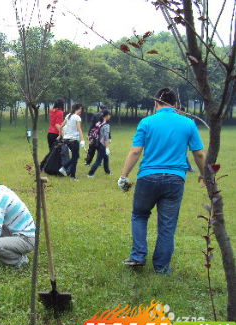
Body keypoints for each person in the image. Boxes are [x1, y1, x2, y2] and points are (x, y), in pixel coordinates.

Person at [117, 87, 205, 275]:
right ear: (176, 105)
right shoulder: (188, 123)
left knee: (140, 215)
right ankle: (161, 267)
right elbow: (198, 153)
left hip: (147, 177)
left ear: (155, 103)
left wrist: (124, 175)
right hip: (175, 179)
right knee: (167, 224)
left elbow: (135, 151)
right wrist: (205, 174)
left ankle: (138, 256)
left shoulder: (146, 122)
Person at [58, 103, 85, 181]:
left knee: (75, 157)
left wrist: (60, 136)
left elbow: (61, 127)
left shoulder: (68, 115)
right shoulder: (77, 117)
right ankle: (70, 174)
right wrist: (82, 140)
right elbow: (79, 129)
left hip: (67, 140)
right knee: (75, 158)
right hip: (74, 140)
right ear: (79, 109)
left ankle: (65, 169)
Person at [87, 110, 112, 177]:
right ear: (106, 116)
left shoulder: (98, 123)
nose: (110, 117)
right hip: (102, 144)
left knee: (106, 158)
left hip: (97, 143)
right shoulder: (106, 125)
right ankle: (90, 173)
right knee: (98, 160)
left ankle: (107, 171)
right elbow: (106, 137)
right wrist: (107, 148)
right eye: (109, 115)